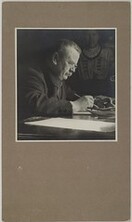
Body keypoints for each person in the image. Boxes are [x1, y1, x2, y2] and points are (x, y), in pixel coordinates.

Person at [18, 39, 94, 120]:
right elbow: (35, 103)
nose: (73, 70)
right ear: (55, 59)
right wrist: (75, 106)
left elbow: (72, 96)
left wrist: (93, 101)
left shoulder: (59, 77)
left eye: (75, 66)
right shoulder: (33, 74)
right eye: (70, 63)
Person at [70, 30, 115, 97]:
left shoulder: (108, 53)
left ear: (99, 36)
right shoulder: (77, 54)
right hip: (82, 94)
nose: (91, 38)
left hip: (105, 95)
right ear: (84, 36)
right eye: (87, 35)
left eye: (94, 34)